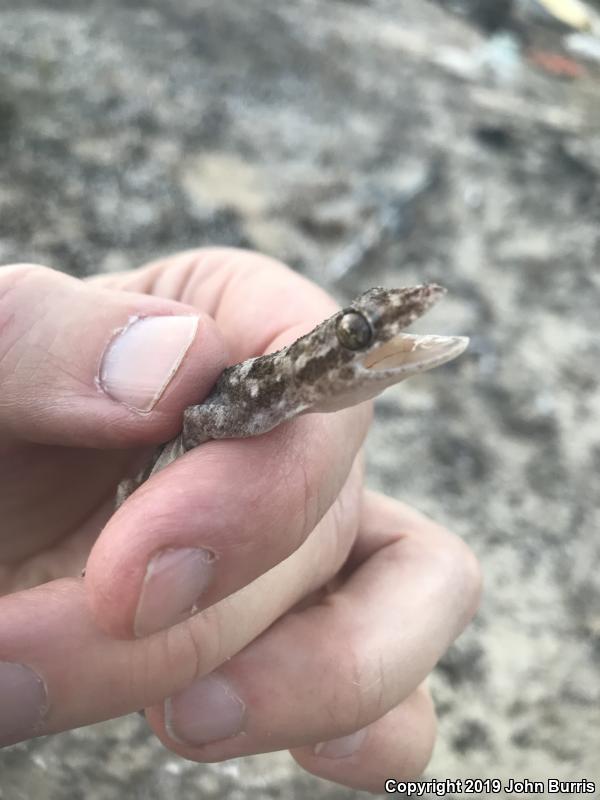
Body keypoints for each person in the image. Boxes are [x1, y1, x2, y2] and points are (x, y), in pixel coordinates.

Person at [0, 248, 481, 793]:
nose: (363, 342)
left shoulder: (280, 411)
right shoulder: (257, 404)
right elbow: (197, 420)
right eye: (353, 333)